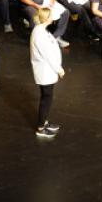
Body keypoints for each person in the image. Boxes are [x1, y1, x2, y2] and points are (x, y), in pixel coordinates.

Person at [30, 8, 64, 138]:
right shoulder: (40, 34)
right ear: (46, 18)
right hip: (45, 71)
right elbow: (48, 55)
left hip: (47, 70)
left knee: (47, 97)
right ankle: (40, 128)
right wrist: (59, 69)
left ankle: (43, 122)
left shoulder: (41, 31)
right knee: (46, 98)